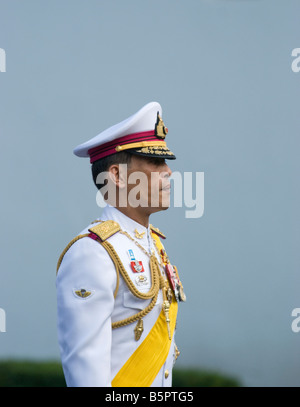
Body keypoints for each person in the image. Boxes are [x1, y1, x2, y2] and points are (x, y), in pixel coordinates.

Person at [56, 101, 186, 387]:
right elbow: (86, 370)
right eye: (155, 162)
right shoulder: (93, 252)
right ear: (116, 175)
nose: (168, 173)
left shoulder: (152, 244)